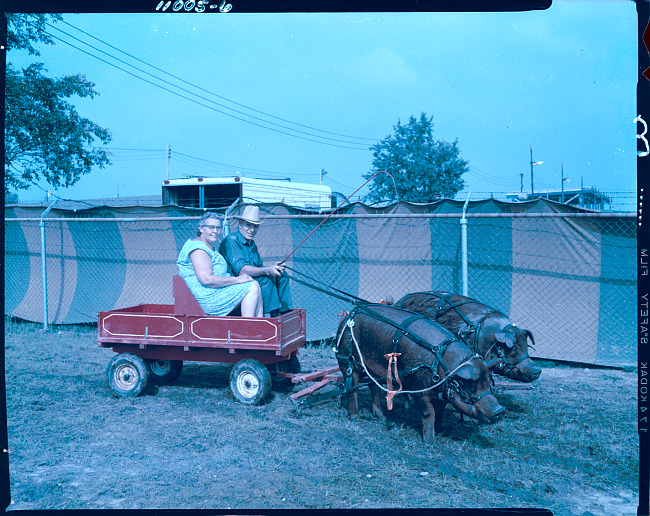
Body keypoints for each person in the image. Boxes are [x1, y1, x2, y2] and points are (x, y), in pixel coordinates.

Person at [177, 212, 263, 317]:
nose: (215, 231)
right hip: (207, 298)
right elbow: (207, 280)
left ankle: (259, 325)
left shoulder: (209, 246)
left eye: (218, 228)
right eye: (211, 227)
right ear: (201, 229)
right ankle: (248, 327)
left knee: (255, 284)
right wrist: (237, 280)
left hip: (215, 291)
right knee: (252, 286)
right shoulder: (199, 250)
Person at [219, 205, 292, 317]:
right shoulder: (231, 241)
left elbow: (259, 267)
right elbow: (242, 270)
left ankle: (284, 314)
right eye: (248, 225)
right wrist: (268, 270)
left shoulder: (252, 245)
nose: (252, 230)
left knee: (282, 275)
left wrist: (274, 268)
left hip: (249, 280)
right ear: (240, 224)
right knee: (265, 281)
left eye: (255, 226)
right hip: (235, 283)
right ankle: (270, 317)